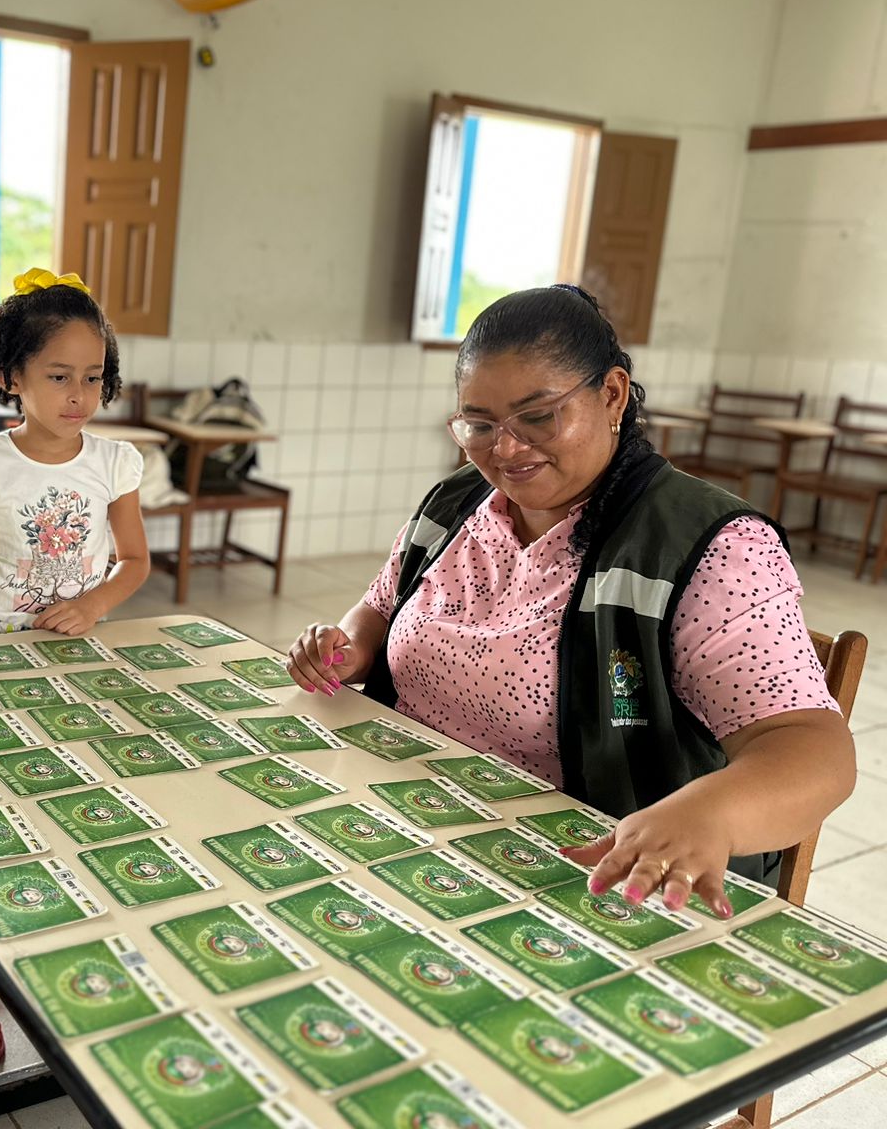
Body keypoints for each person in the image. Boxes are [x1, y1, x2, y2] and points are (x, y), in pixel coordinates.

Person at [288, 285, 854, 918]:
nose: (504, 449)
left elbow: (813, 749)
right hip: (407, 822)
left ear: (611, 395)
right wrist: (352, 644)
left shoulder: (709, 547)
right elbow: (383, 606)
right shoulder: (455, 505)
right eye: (479, 425)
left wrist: (712, 813)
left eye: (538, 417)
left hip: (586, 875)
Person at [0, 268, 151, 635]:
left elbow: (135, 560)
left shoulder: (115, 463)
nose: (79, 395)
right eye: (59, 377)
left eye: (92, 378)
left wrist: (92, 606)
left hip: (87, 632)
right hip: (5, 641)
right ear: (10, 377)